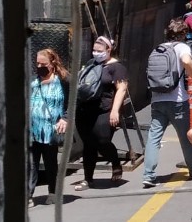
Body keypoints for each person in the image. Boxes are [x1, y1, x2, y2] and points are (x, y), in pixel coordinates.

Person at [142, 19, 192, 188]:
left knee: (154, 138)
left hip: (157, 100)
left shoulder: (158, 49)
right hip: (177, 100)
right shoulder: (182, 47)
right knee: (185, 135)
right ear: (184, 34)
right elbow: (186, 61)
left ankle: (148, 174)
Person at [72, 36, 128, 191]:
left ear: (109, 50)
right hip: (85, 109)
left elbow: (121, 89)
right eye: (94, 50)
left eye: (100, 51)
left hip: (104, 110)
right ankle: (88, 179)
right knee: (88, 144)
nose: (96, 53)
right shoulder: (90, 64)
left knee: (102, 140)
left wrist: (115, 111)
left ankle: (115, 161)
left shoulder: (117, 68)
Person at [29, 48, 69, 207]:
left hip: (51, 131)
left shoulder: (64, 80)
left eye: (43, 63)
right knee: (30, 164)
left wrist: (65, 118)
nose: (39, 66)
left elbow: (73, 101)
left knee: (50, 163)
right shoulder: (33, 80)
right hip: (32, 130)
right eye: (37, 63)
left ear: (52, 63)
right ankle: (28, 196)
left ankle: (53, 192)